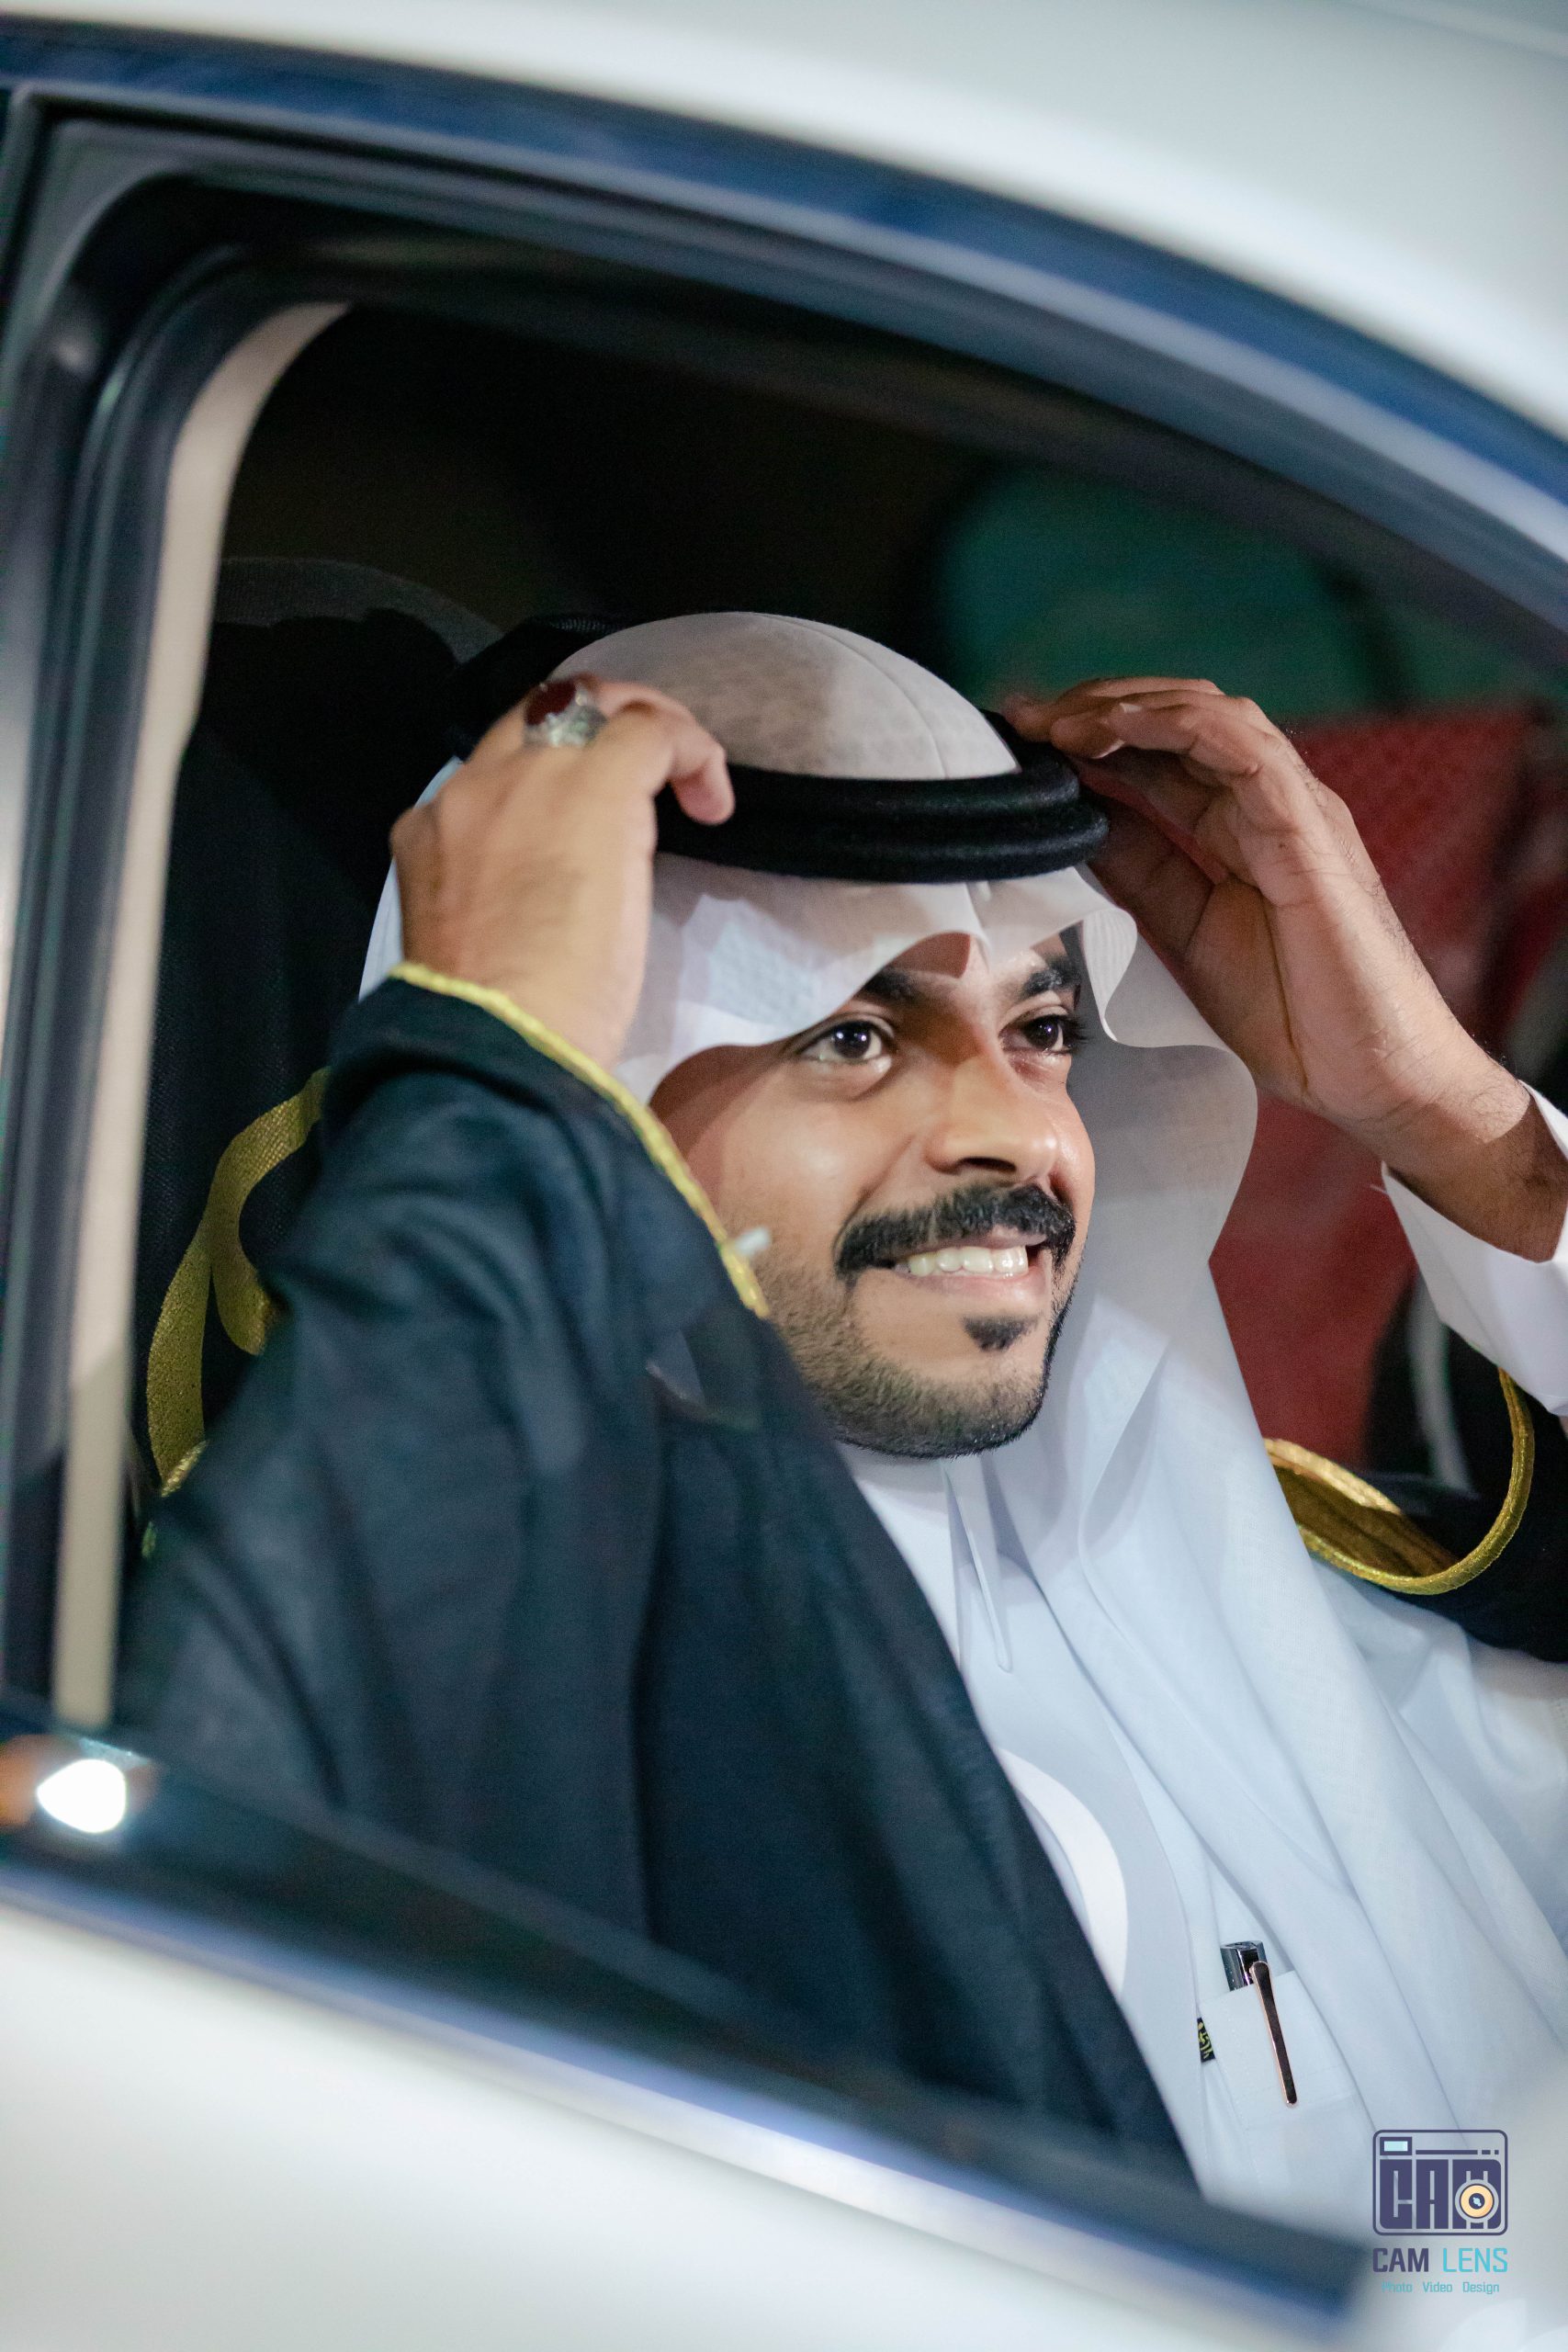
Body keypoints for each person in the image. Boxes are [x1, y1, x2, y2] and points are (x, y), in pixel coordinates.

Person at [120, 613, 1568, 2234]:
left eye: (1043, 1031)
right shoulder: (568, 1801)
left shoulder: (1349, 1633)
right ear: (608, 1092)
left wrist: (1459, 1123)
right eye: (852, 1039)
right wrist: (488, 1069)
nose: (1014, 1136)